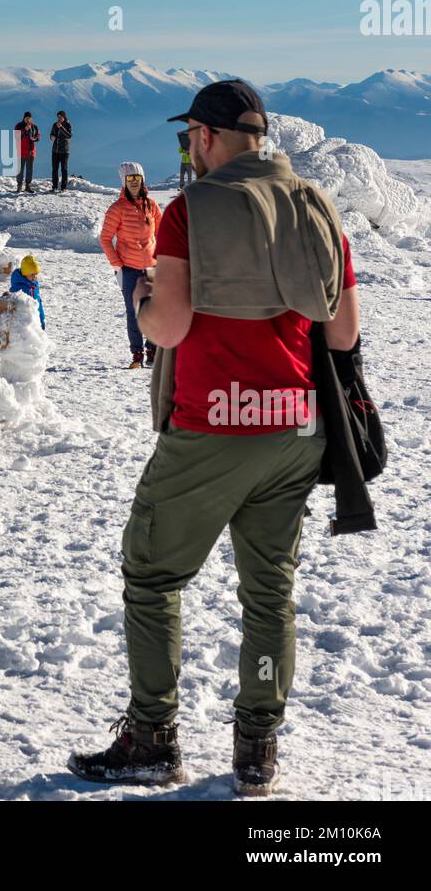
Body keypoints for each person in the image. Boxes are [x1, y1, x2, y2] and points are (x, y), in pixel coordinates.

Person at [69, 79, 360, 797]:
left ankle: (151, 736)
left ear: (206, 135)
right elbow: (344, 332)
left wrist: (140, 300)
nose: (186, 149)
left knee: (154, 575)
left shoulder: (189, 211)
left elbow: (165, 327)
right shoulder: (319, 206)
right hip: (295, 425)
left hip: (213, 424)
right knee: (269, 593)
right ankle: (256, 748)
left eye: (187, 137)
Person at [98, 162, 162, 369]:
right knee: (134, 312)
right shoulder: (117, 208)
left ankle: (152, 350)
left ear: (142, 180)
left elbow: (163, 232)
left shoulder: (151, 205)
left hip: (152, 266)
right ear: (124, 182)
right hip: (129, 269)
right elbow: (106, 238)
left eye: (137, 178)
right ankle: (137, 354)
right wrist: (117, 264)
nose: (134, 183)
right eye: (130, 179)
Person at [9, 255, 45, 328]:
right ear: (25, 273)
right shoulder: (18, 288)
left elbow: (39, 304)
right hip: (26, 325)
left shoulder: (34, 285)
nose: (35, 277)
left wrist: (41, 321)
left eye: (36, 274)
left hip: (36, 321)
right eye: (32, 274)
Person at [14, 112, 40, 193]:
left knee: (29, 169)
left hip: (31, 151)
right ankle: (19, 186)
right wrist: (25, 129)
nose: (28, 119)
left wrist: (35, 138)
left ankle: (28, 186)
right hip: (21, 150)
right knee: (20, 170)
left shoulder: (34, 126)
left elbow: (38, 136)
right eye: (27, 118)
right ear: (24, 118)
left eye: (29, 118)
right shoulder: (18, 125)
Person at [50, 111, 72, 192]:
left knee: (64, 169)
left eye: (60, 117)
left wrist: (61, 127)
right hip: (55, 150)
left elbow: (69, 135)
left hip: (64, 151)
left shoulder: (68, 125)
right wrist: (51, 137)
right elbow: (52, 134)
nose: (59, 118)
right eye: (58, 117)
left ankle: (63, 187)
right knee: (55, 169)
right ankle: (54, 186)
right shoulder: (54, 125)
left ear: (64, 117)